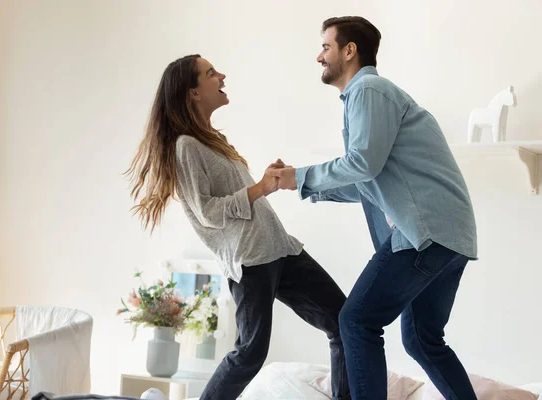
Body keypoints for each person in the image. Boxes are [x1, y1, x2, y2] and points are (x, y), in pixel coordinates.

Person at [268, 16, 478, 400]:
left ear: (349, 51)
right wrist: (301, 185)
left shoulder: (369, 90)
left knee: (356, 320)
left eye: (325, 47)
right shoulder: (371, 97)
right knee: (422, 339)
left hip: (424, 234)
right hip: (450, 237)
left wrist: (299, 176)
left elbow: (362, 164)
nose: (319, 56)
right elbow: (368, 183)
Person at [126, 54, 351, 400]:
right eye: (211, 73)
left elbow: (236, 200)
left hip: (279, 248)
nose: (222, 76)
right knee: (250, 352)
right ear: (193, 93)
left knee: (343, 321)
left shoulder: (210, 141)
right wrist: (259, 187)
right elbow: (208, 213)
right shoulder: (185, 147)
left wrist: (264, 183)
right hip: (251, 260)